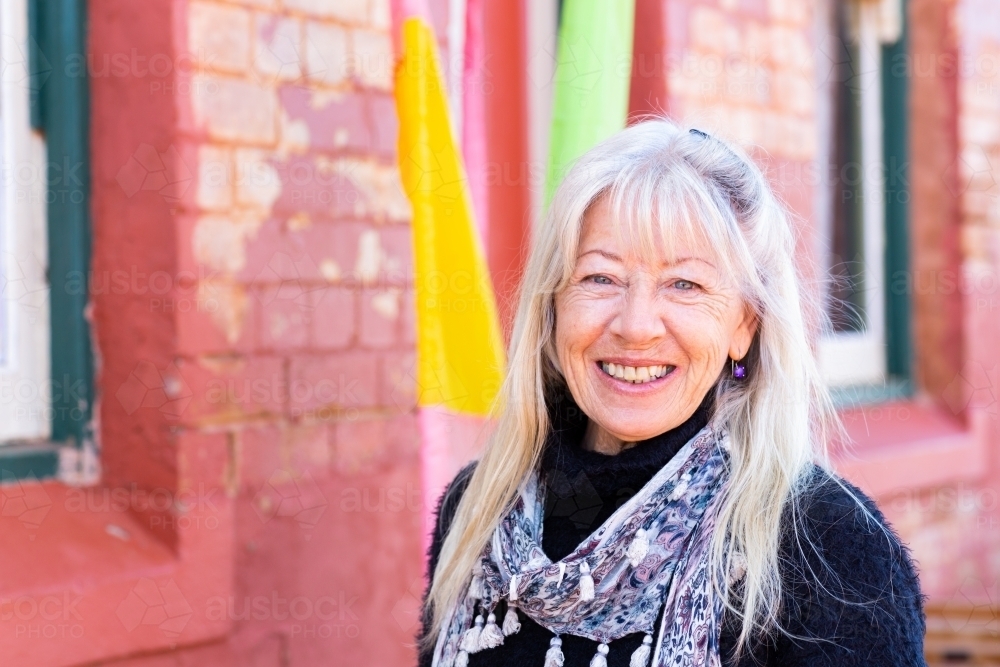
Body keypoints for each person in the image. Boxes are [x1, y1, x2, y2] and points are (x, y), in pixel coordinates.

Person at [417, 120, 926, 667]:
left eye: (685, 284)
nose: (636, 327)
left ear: (744, 326)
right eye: (599, 278)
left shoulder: (827, 549)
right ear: (553, 308)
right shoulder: (475, 509)